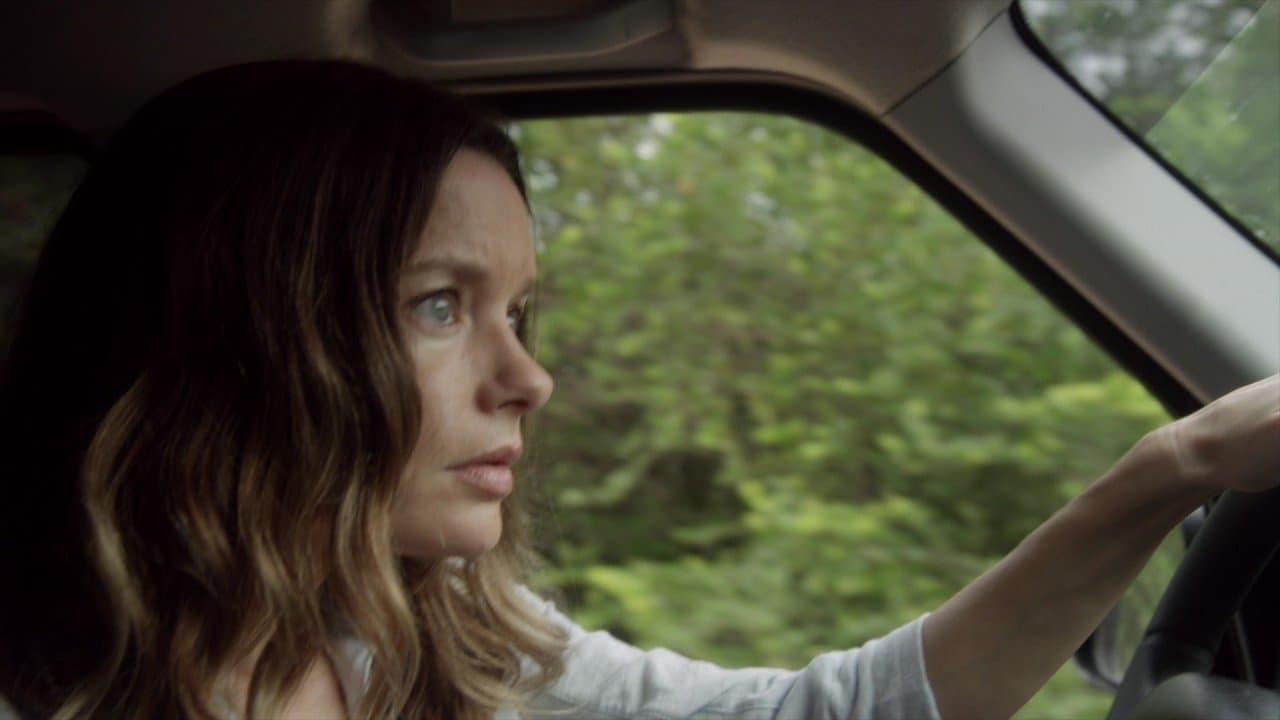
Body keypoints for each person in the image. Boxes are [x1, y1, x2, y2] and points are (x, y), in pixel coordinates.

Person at [0, 59, 1275, 720]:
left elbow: (826, 716)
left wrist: (1170, 471)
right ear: (246, 335)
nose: (528, 378)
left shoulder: (436, 638)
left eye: (517, 313)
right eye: (439, 305)